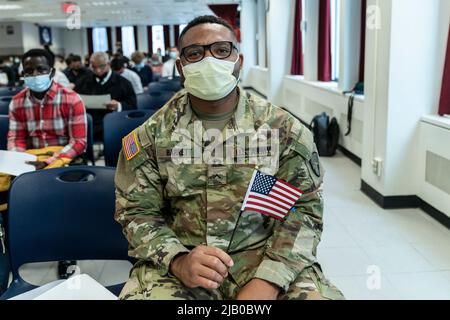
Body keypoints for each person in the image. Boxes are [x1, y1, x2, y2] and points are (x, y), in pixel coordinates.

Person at [114, 15, 344, 300]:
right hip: (181, 261)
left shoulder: (284, 131)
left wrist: (269, 281)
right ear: (180, 67)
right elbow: (137, 212)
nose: (209, 59)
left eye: (221, 50)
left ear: (238, 60)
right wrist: (178, 260)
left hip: (266, 256)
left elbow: (304, 211)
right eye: (195, 53)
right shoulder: (148, 137)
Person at [6, 48, 88, 282]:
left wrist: (51, 162)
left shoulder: (71, 99)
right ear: (22, 73)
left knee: (61, 201)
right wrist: (20, 159)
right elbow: (16, 138)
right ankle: (20, 247)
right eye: (29, 70)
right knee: (12, 195)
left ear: (51, 71)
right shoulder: (17, 102)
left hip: (63, 161)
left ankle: (66, 252)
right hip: (30, 161)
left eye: (40, 69)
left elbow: (79, 142)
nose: (35, 74)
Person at [74, 52, 136, 141]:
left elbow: (133, 106)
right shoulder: (82, 82)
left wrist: (118, 106)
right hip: (89, 124)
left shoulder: (123, 83)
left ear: (108, 64)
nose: (98, 70)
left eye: (101, 66)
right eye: (94, 67)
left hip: (115, 123)